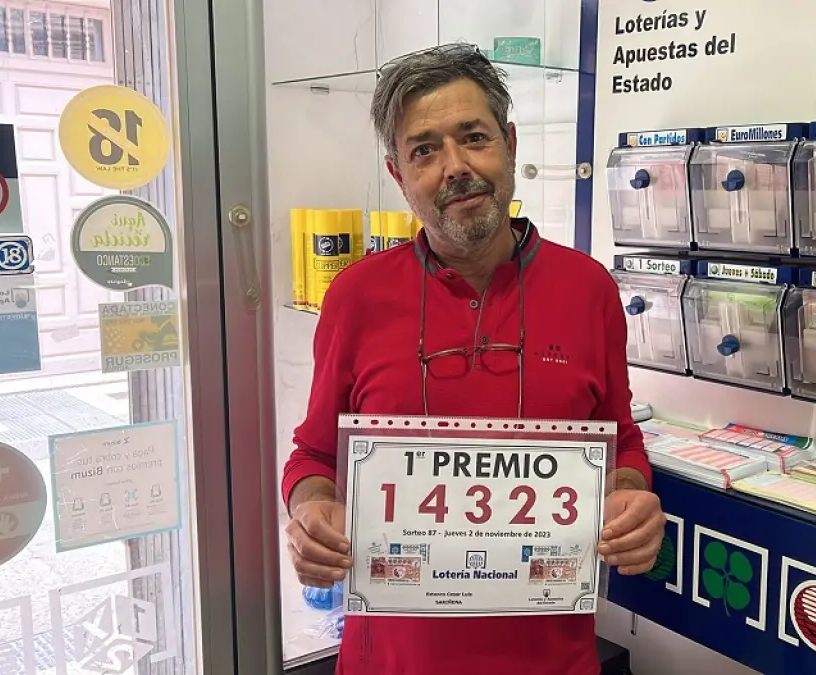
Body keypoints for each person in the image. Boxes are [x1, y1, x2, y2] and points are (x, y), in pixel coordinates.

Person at [281, 44, 665, 675]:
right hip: (392, 663)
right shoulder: (356, 296)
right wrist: (310, 510)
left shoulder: (589, 289)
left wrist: (631, 498)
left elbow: (620, 442)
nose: (455, 167)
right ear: (398, 174)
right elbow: (315, 455)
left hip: (553, 660)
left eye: (474, 137)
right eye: (424, 150)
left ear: (509, 145)